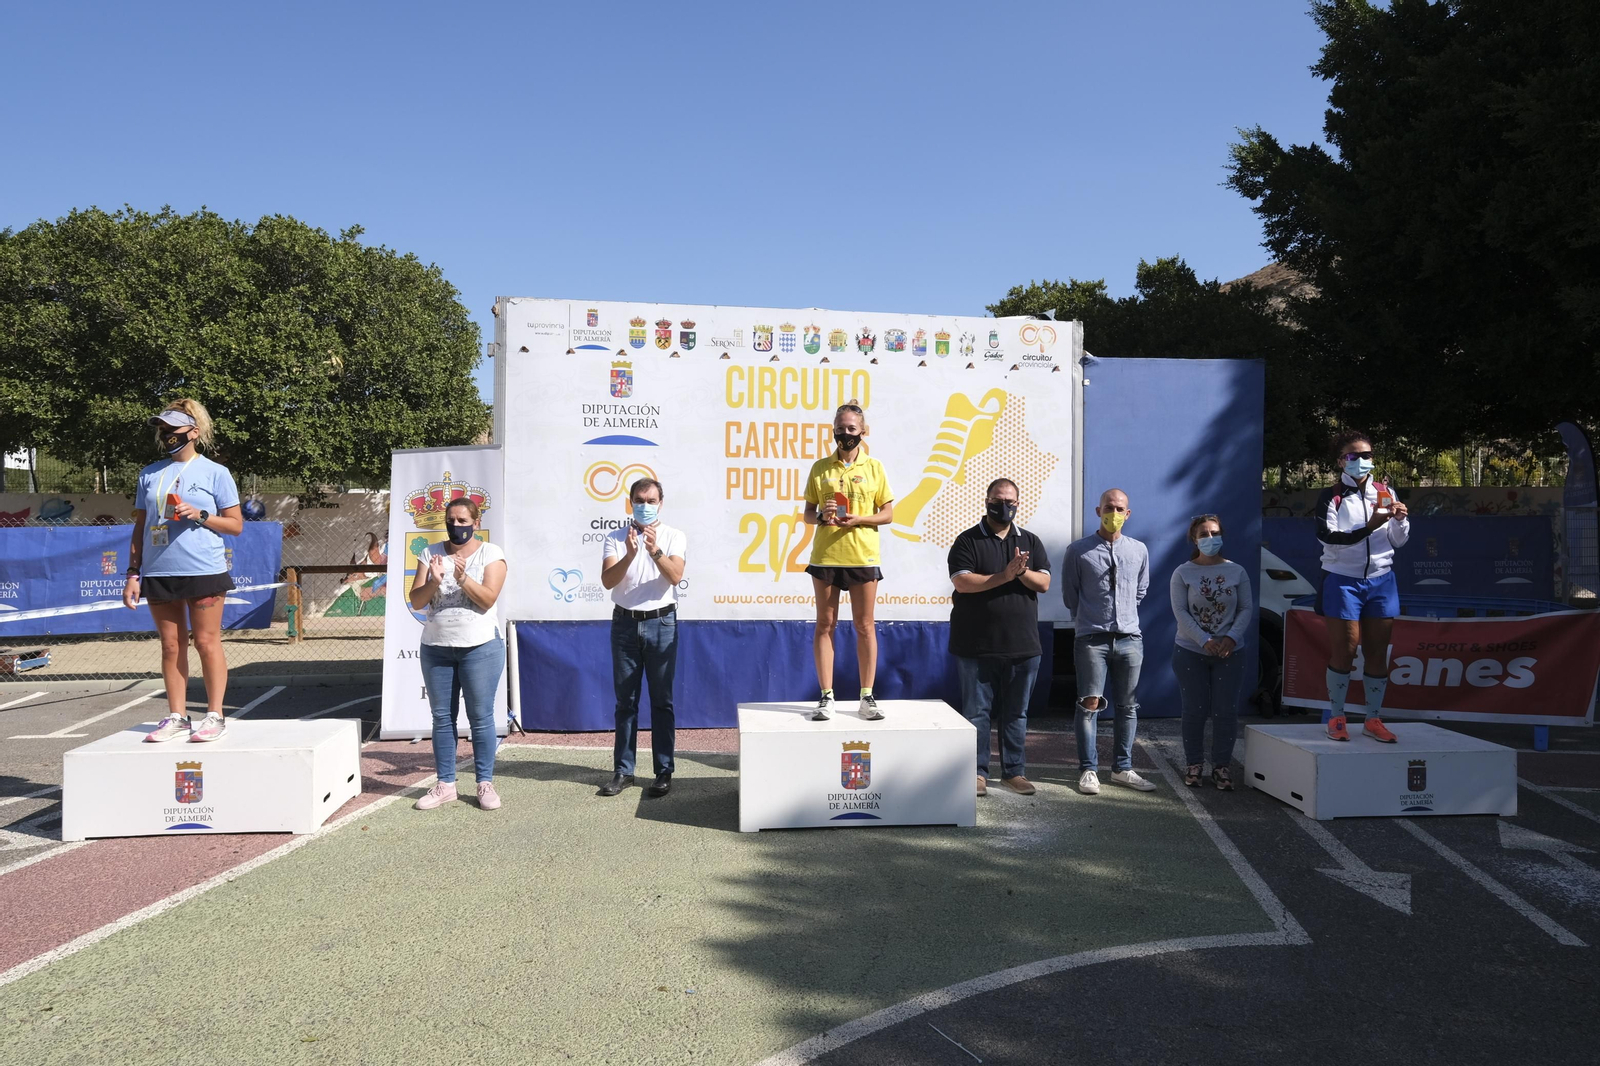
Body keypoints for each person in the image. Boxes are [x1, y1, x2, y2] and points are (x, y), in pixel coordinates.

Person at [123, 401, 244, 744]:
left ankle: (215, 715)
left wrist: (201, 514)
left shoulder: (215, 473)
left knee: (206, 642)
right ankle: (176, 716)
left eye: (173, 430)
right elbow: (141, 528)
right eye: (162, 430)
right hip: (159, 570)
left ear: (194, 432)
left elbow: (235, 525)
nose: (167, 436)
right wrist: (133, 573)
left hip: (203, 568)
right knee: (170, 645)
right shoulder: (149, 474)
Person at [948, 478, 1052, 797]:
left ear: (1018, 504)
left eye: (1010, 501)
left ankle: (1014, 772)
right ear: (986, 501)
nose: (1004, 506)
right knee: (977, 713)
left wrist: (1021, 573)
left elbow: (1044, 583)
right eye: (998, 500)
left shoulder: (1030, 542)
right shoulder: (967, 541)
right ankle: (977, 774)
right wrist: (1004, 576)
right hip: (975, 646)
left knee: (1015, 713)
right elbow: (963, 583)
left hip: (1023, 646)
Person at [408, 499, 508, 810]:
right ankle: (445, 784)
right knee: (441, 718)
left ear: (476, 523)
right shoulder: (430, 553)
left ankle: (484, 783)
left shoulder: (491, 554)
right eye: (451, 520)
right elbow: (416, 600)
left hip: (480, 646)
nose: (456, 525)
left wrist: (463, 578)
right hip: (436, 647)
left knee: (480, 717)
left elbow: (488, 599)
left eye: (463, 520)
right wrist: (434, 582)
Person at [1060, 488, 1157, 795]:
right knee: (1089, 704)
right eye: (1108, 508)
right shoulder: (1078, 551)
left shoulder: (1138, 550)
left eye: (1119, 509)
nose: (1113, 513)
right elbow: (1069, 595)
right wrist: (1090, 619)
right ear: (1097, 510)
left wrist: (1124, 616)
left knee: (1128, 706)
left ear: (1127, 514)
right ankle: (1089, 770)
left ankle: (1122, 768)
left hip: (1130, 638)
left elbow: (1141, 591)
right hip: (1092, 639)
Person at [1315, 431, 1410, 742]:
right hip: (1342, 579)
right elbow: (1328, 538)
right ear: (1341, 461)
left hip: (1382, 579)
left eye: (1367, 455)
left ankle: (1373, 719)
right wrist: (1367, 527)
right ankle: (1337, 716)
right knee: (1345, 651)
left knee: (1377, 653)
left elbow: (1399, 540)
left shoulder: (1384, 491)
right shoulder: (1331, 495)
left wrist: (1399, 520)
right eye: (1354, 456)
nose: (1362, 461)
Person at [803, 402, 894, 721]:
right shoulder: (820, 468)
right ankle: (826, 696)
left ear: (863, 432)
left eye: (852, 429)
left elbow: (888, 513)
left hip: (862, 555)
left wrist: (859, 520)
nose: (845, 434)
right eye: (840, 429)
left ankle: (866, 696)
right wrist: (821, 515)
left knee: (864, 625)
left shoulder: (875, 467)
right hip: (826, 556)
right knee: (825, 625)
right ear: (833, 431)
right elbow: (807, 514)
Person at [598, 478, 687, 798]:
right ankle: (624, 771)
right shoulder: (615, 537)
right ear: (630, 502)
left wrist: (654, 550)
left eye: (651, 500)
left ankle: (664, 771)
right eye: (639, 500)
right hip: (624, 624)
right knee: (626, 702)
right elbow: (608, 580)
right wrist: (630, 554)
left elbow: (675, 575)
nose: (645, 505)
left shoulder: (674, 536)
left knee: (662, 701)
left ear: (661, 503)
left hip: (662, 623)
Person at [1169, 514, 1254, 789]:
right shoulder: (1183, 572)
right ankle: (1194, 763)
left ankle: (1222, 766)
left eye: (1214, 533)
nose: (1210, 538)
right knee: (1194, 710)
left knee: (1225, 711)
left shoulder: (1237, 571)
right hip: (1190, 651)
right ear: (1194, 539)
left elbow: (1245, 608)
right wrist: (1204, 640)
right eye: (1203, 534)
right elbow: (1180, 611)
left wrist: (1230, 638)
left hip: (1230, 653)